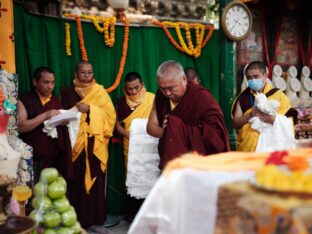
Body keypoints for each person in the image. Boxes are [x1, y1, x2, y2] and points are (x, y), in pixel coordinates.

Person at [60, 61, 116, 231]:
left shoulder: (99, 91)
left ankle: (95, 220)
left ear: (93, 74)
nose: (86, 76)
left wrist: (90, 109)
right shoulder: (67, 92)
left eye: (89, 72)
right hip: (74, 144)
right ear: (75, 75)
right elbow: (62, 113)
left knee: (94, 183)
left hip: (93, 144)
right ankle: (73, 219)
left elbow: (110, 116)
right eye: (82, 72)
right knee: (75, 181)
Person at [147, 60, 230, 170]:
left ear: (184, 80)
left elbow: (216, 133)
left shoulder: (201, 97)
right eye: (162, 88)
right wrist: (171, 131)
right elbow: (151, 128)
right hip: (173, 160)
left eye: (171, 88)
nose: (167, 93)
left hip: (199, 162)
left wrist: (176, 129)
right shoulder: (161, 97)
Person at [18, 66, 72, 183]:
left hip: (54, 158)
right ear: (35, 82)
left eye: (52, 82)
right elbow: (21, 127)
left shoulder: (55, 101)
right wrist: (46, 115)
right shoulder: (25, 99)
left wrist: (63, 122)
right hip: (32, 159)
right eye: (46, 82)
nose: (50, 86)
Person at [115, 72, 155, 221]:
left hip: (150, 147)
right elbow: (117, 124)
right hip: (131, 145)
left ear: (142, 85)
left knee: (150, 177)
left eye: (136, 88)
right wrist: (129, 135)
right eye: (129, 89)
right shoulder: (121, 102)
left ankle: (150, 216)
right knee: (133, 177)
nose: (133, 92)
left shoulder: (153, 99)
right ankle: (133, 216)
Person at [231, 61, 292, 152]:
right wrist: (251, 114)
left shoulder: (278, 95)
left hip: (271, 147)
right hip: (248, 148)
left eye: (256, 77)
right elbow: (235, 124)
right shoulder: (243, 97)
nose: (252, 80)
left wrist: (273, 119)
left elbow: (290, 121)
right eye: (249, 78)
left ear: (265, 75)